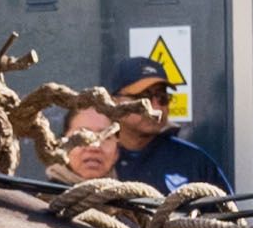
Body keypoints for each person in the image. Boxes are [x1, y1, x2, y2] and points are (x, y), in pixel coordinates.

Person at [93, 53, 224, 193]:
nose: (156, 107)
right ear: (114, 102)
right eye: (144, 98)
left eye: (162, 98)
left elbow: (227, 211)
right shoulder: (92, 154)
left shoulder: (194, 161)